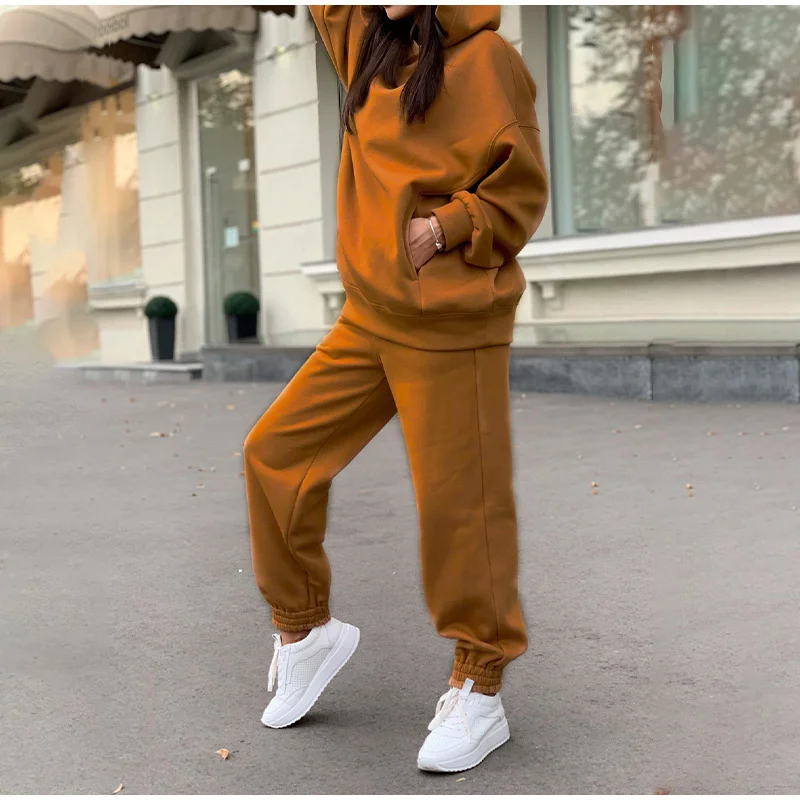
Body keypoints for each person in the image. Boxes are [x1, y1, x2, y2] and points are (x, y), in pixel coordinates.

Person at [244, 4, 548, 773]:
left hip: (450, 325)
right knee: (275, 456)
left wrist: (442, 229)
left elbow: (521, 192)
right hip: (369, 316)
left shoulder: (489, 62)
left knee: (460, 510)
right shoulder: (367, 47)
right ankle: (305, 631)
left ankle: (480, 687)